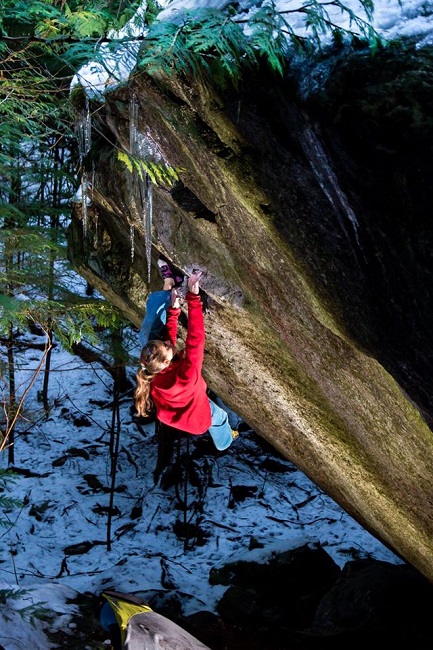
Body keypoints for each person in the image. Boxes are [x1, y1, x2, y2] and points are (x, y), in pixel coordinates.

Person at [134, 262, 238, 451]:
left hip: (176, 408)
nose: (166, 342)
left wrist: (174, 312)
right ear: (166, 362)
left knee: (153, 339)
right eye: (165, 346)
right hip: (198, 420)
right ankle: (225, 441)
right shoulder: (187, 375)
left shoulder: (153, 370)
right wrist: (193, 297)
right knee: (220, 417)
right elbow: (195, 338)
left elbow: (169, 343)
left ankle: (169, 282)